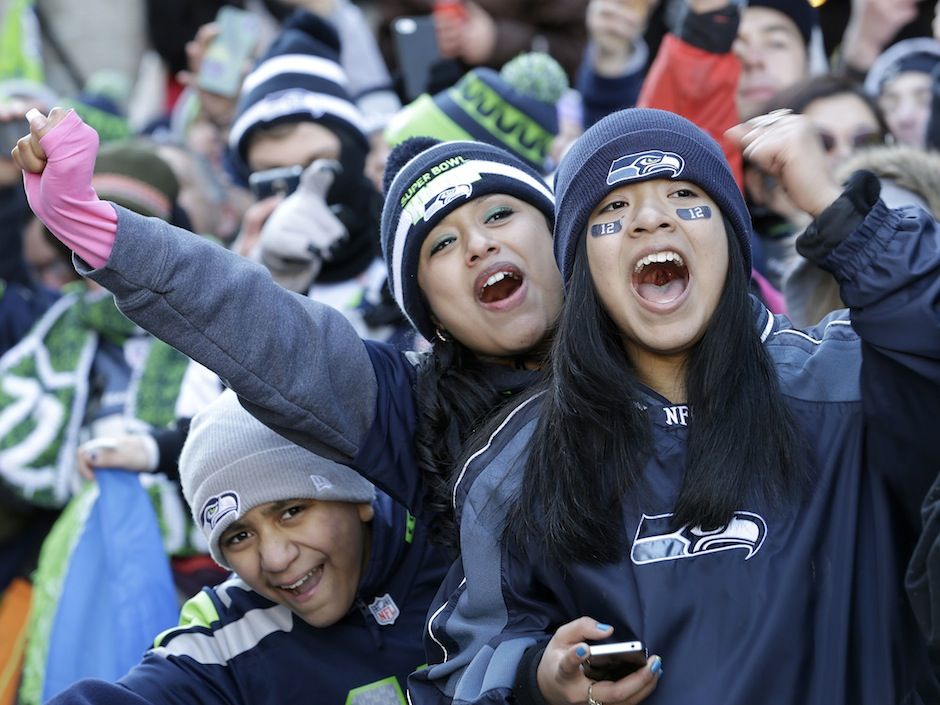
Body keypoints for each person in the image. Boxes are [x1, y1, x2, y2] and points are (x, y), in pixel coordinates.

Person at [406, 107, 940, 705]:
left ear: (734, 240)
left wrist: (842, 216)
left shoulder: (847, 380)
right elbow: (461, 672)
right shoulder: (516, 463)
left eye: (685, 195)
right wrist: (539, 679)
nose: (652, 219)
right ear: (579, 272)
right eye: (612, 208)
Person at [12, 106, 561, 554]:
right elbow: (244, 314)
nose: (479, 245)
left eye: (498, 215)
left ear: (559, 235)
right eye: (440, 243)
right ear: (428, 312)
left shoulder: (642, 335)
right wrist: (83, 219)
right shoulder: (409, 412)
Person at [45, 389, 448, 705]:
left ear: (358, 498)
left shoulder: (461, 551)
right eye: (238, 537)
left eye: (291, 511)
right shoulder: (227, 634)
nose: (275, 559)